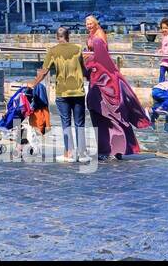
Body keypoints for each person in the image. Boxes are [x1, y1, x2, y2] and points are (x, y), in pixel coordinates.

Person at [83, 15, 151, 161]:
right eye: (86, 23)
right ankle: (106, 148)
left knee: (112, 112)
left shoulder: (99, 36)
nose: (88, 25)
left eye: (90, 23)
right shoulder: (92, 34)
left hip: (104, 76)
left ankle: (118, 147)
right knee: (99, 112)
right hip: (96, 75)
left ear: (96, 23)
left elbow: (102, 57)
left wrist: (89, 62)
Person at [26, 26, 88, 163]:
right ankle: (82, 153)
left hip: (62, 92)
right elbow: (84, 69)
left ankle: (69, 153)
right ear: (68, 36)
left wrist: (33, 84)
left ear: (57, 37)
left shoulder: (53, 51)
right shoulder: (78, 48)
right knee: (80, 123)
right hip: (78, 91)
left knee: (66, 123)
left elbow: (44, 71)